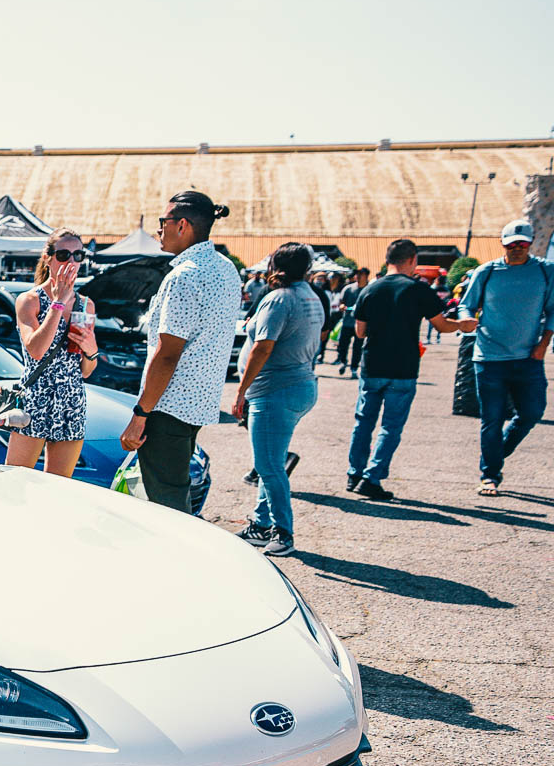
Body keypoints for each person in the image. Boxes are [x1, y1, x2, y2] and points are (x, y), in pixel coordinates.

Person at [119, 190, 240, 512]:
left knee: (167, 503)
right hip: (198, 400)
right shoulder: (225, 268)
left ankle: (180, 560)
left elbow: (169, 352)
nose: (159, 230)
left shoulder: (184, 276)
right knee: (175, 488)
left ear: (182, 225)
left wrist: (140, 414)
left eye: (163, 221)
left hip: (169, 404)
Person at [342, 238, 470, 502]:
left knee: (363, 421)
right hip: (403, 366)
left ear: (388, 260)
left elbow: (360, 331)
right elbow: (442, 325)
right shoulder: (419, 290)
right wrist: (462, 325)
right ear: (412, 260)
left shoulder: (370, 289)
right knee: (391, 426)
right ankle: (372, 477)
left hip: (373, 364)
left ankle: (354, 473)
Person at [231, 244, 323, 556]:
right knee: (272, 459)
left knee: (268, 466)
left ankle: (283, 532)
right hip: (299, 384)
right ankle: (260, 523)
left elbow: (262, 347)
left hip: (274, 390)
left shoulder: (279, 299)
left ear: (275, 266)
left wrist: (241, 390)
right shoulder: (311, 296)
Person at [458, 219, 553, 496]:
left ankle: (497, 452)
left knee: (532, 412)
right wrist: (466, 319)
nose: (517, 249)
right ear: (503, 244)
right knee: (492, 418)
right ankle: (490, 475)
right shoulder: (487, 272)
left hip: (528, 358)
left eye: (522, 244)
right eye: (511, 244)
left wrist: (544, 343)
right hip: (489, 358)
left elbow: (553, 309)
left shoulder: (545, 272)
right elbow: (467, 305)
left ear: (531, 243)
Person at [8, 231, 99, 478]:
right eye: (63, 255)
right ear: (48, 259)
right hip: (36, 397)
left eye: (78, 255)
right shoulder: (29, 300)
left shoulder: (85, 305)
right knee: (16, 481)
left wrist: (92, 350)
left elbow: (86, 371)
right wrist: (58, 303)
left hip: (71, 399)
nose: (71, 261)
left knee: (61, 486)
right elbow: (36, 351)